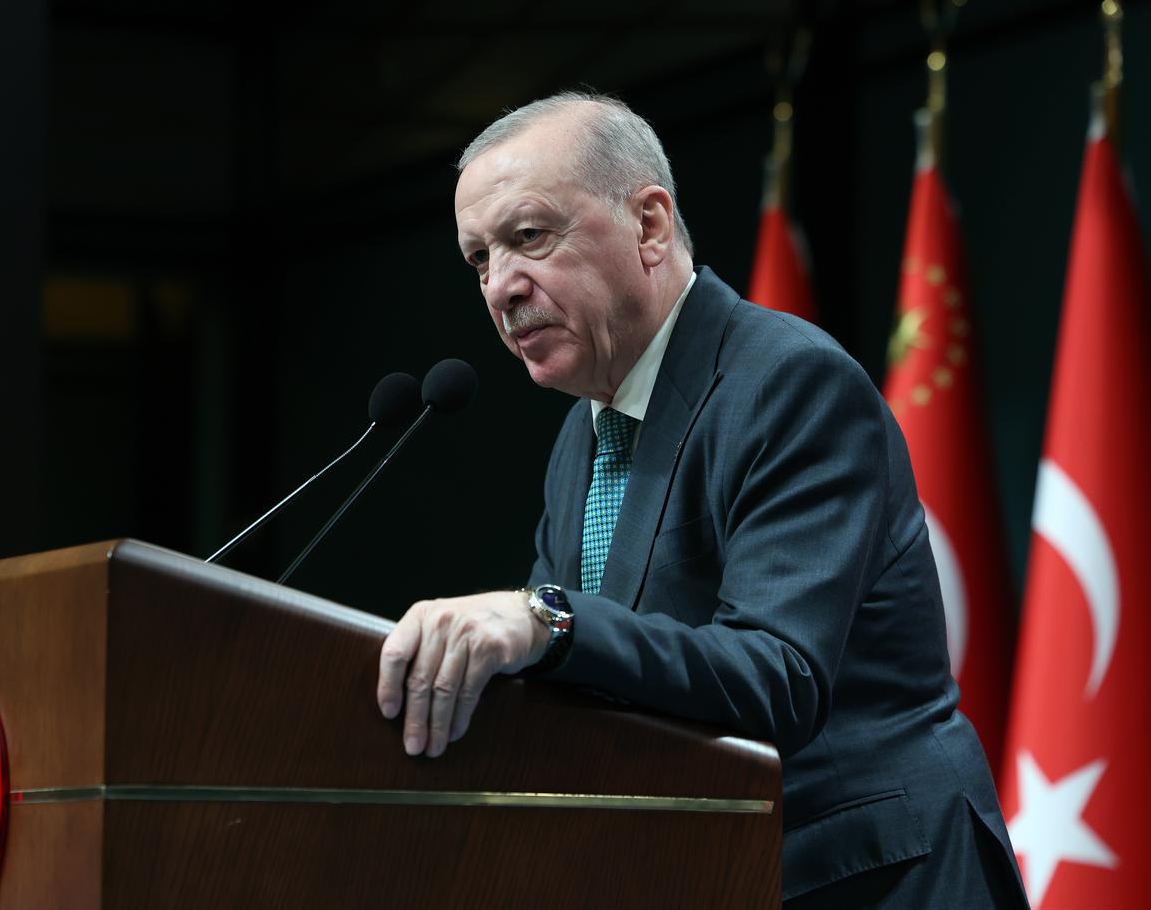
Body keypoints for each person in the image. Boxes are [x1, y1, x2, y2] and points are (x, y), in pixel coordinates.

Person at [376, 92, 1028, 907]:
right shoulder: (583, 437)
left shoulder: (790, 383)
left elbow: (776, 674)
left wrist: (545, 620)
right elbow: (590, 687)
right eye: (479, 258)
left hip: (873, 878)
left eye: (528, 237)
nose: (501, 286)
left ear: (650, 224)